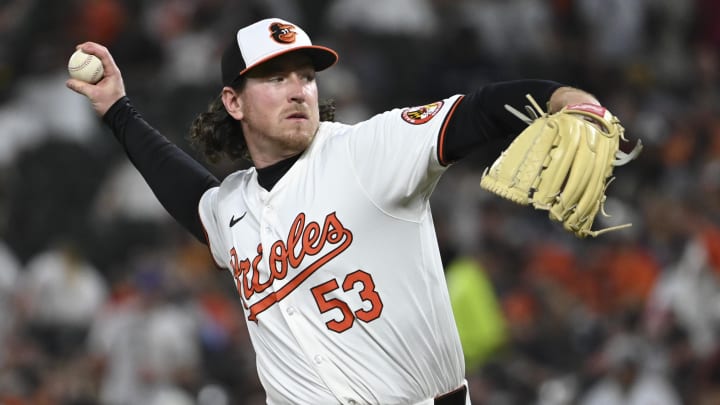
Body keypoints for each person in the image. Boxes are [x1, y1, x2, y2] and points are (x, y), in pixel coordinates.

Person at [66, 17, 602, 405]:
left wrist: (564, 100)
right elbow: (189, 195)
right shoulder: (232, 208)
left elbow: (477, 110)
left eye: (306, 76)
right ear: (234, 102)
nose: (298, 90)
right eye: (276, 79)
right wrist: (118, 111)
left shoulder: (367, 151)